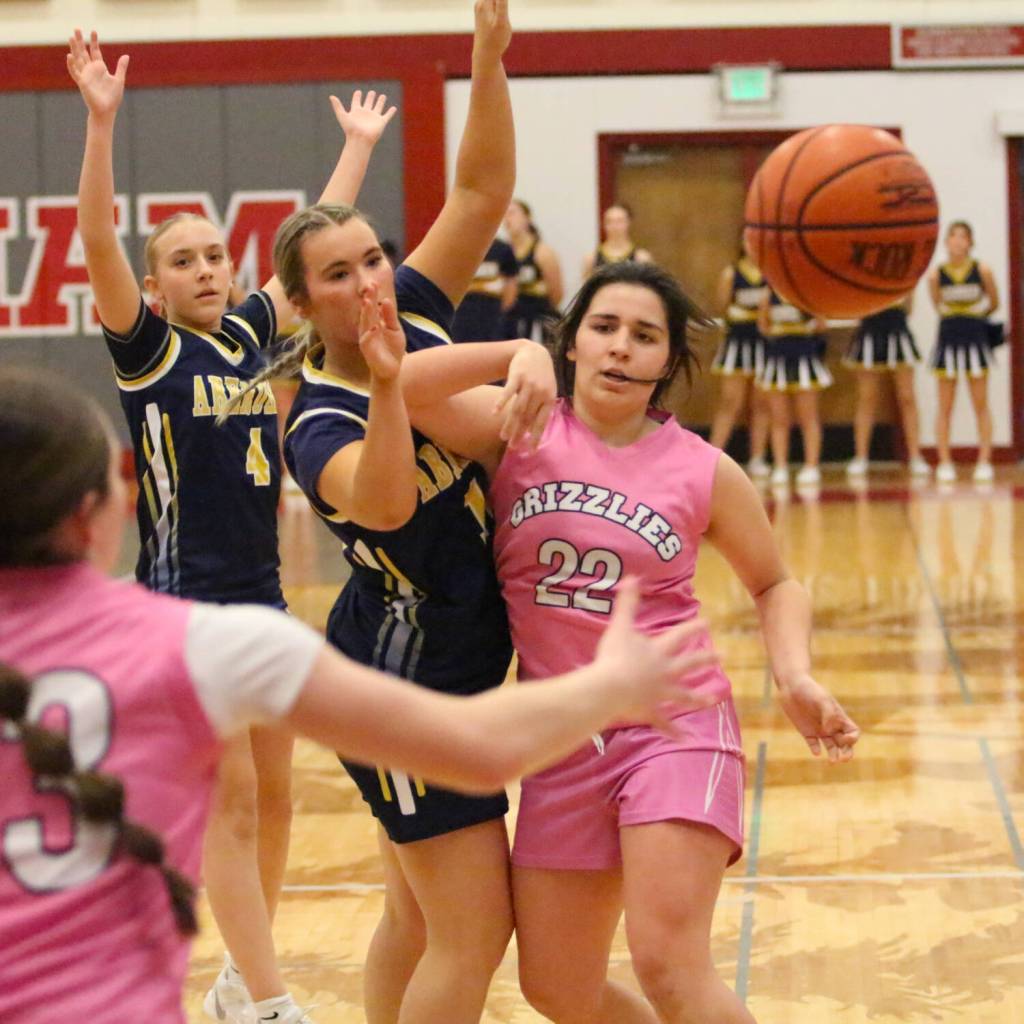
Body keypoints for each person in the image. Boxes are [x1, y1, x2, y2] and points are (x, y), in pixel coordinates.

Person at [0, 364, 717, 1024]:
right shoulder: (202, 643)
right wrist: (610, 683)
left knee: (420, 921)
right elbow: (477, 748)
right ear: (94, 515)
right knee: (448, 928)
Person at [396, 259, 861, 1024]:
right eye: (603, 328)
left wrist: (795, 675)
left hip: (674, 726)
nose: (620, 348)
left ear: (668, 363)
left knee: (668, 964)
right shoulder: (518, 424)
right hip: (562, 738)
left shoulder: (704, 471)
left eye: (645, 337)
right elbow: (398, 386)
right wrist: (516, 353)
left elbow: (776, 583)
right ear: (573, 341)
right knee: (555, 986)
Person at [219, 4, 553, 1022]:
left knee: (412, 924)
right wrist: (492, 356)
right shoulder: (313, 424)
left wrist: (487, 63)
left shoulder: (405, 309)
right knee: (472, 933)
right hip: (402, 690)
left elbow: (482, 190)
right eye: (339, 274)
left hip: (452, 660)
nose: (369, 281)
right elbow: (391, 495)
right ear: (302, 301)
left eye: (372, 258)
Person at [67, 29, 396, 1023]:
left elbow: (312, 245)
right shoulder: (151, 353)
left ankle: (230, 982)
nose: (207, 270)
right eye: (184, 261)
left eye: (215, 254)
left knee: (279, 800)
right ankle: (265, 999)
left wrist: (357, 151)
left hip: (259, 595)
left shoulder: (255, 338)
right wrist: (99, 124)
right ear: (154, 285)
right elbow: (93, 241)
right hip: (182, 608)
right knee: (236, 808)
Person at [927, 220, 1001, 484]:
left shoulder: (982, 271)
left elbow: (994, 302)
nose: (958, 241)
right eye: (953, 236)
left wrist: (975, 316)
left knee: (980, 402)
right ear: (946, 242)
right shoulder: (936, 275)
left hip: (975, 338)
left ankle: (984, 460)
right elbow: (937, 304)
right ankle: (944, 460)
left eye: (963, 237)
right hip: (948, 338)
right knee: (945, 405)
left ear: (970, 242)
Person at [843, 295, 930, 479]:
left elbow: (909, 308)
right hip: (869, 332)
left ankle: (915, 456)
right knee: (867, 398)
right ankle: (860, 457)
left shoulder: (906, 274)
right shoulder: (862, 272)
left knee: (907, 397)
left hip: (898, 331)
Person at [757, 286, 831, 488]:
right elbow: (763, 326)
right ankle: (780, 466)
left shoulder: (807, 291)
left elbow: (822, 324)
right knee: (779, 417)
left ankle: (811, 466)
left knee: (808, 416)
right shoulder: (768, 294)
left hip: (805, 355)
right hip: (778, 356)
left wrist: (805, 322)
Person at [708, 245, 770, 476]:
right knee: (730, 402)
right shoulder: (731, 273)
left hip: (764, 344)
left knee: (762, 404)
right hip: (737, 342)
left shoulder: (771, 272)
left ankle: (757, 457)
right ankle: (711, 457)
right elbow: (722, 307)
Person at [504, 197, 563, 344]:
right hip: (511, 320)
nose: (507, 218)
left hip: (537, 319)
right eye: (504, 214)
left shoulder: (542, 252)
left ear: (527, 218)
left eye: (512, 213)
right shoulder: (502, 251)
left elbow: (557, 293)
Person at [451, 237, 519, 342]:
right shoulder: (456, 247)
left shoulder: (502, 249)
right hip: (460, 321)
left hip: (492, 321)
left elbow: (511, 287)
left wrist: (499, 313)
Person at [581, 203, 653, 279]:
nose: (614, 226)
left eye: (620, 221)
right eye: (610, 221)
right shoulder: (591, 259)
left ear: (628, 223)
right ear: (604, 224)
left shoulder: (641, 258)